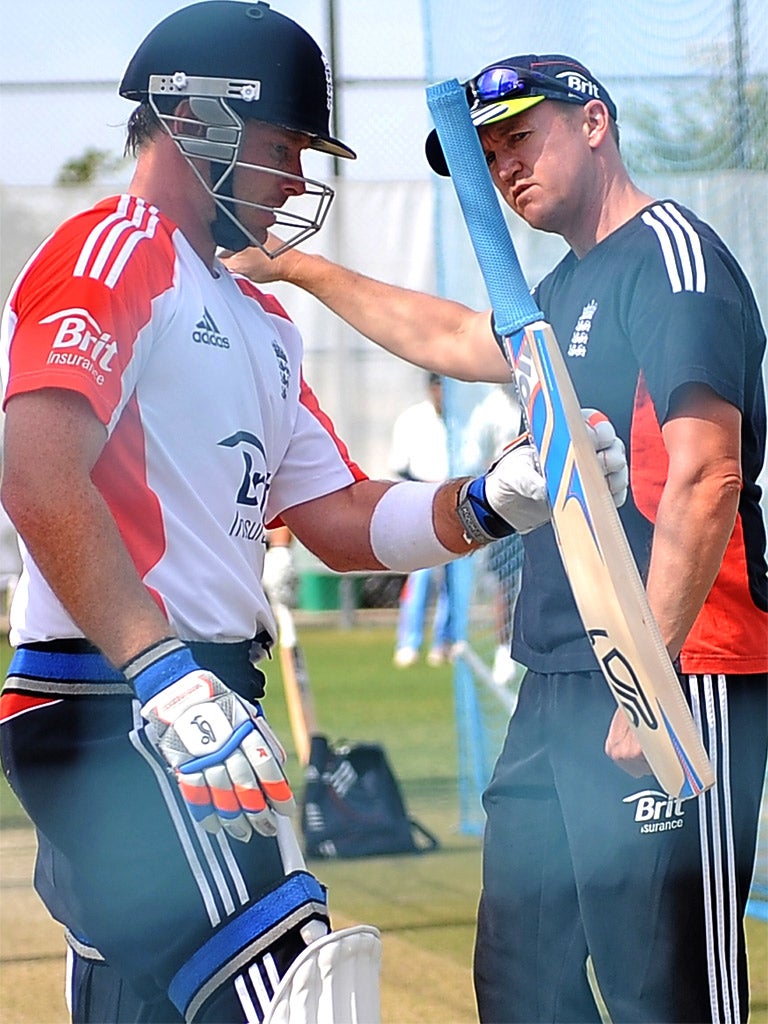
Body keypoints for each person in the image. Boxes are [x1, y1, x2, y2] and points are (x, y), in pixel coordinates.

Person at [0, 11, 628, 1021]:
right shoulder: (115, 255)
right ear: (198, 120)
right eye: (286, 147)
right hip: (119, 708)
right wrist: (162, 674)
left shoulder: (261, 320)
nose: (299, 182)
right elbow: (34, 473)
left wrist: (491, 499)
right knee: (303, 993)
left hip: (199, 704)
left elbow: (336, 515)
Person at [224, 53, 768, 1023]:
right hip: (558, 677)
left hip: (678, 674)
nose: (506, 166)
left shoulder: (674, 256)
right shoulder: (560, 293)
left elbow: (707, 473)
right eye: (486, 153)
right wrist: (297, 265)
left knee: (668, 994)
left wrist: (652, 673)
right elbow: (448, 337)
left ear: (594, 122)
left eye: (521, 135)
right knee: (524, 983)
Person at [461, 383, 525, 686]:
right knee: (506, 583)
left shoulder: (536, 395)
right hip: (508, 506)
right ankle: (503, 649)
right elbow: (474, 456)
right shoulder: (489, 410)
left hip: (547, 502)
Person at [390, 372, 454, 667]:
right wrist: (427, 491)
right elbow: (400, 466)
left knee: (454, 582)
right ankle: (409, 642)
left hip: (457, 504)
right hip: (423, 503)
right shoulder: (414, 419)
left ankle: (445, 642)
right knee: (421, 576)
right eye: (438, 386)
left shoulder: (460, 420)